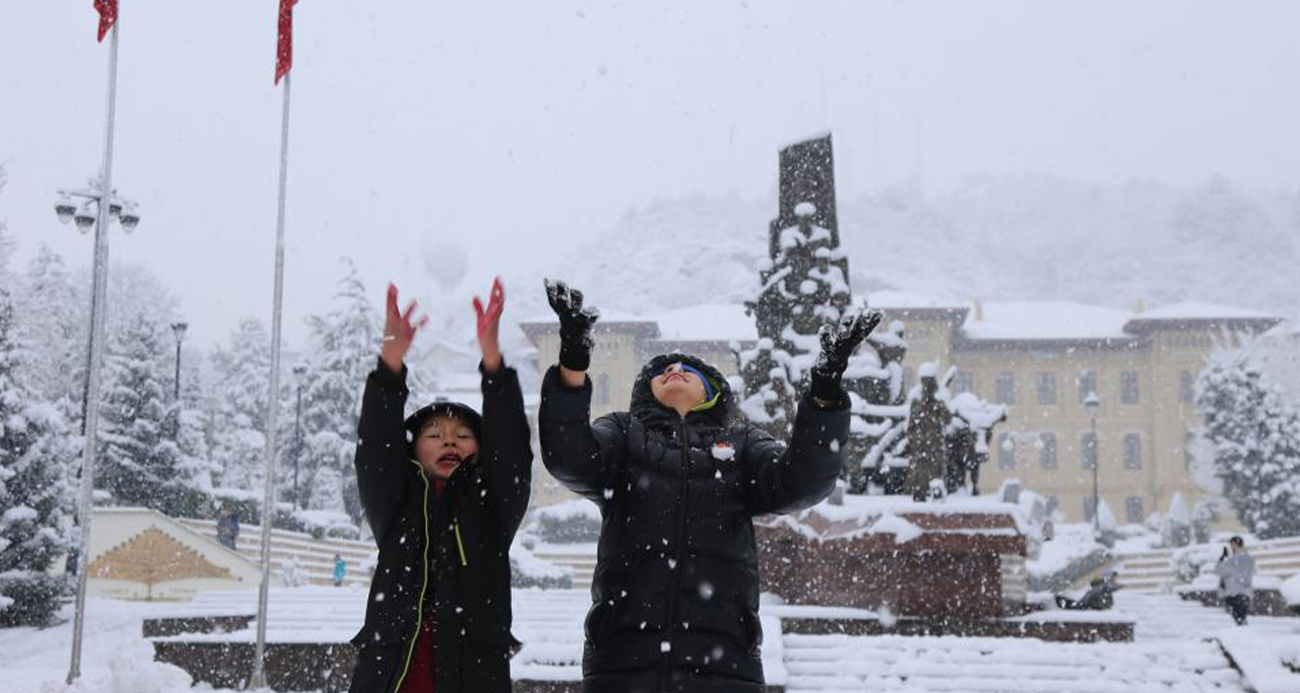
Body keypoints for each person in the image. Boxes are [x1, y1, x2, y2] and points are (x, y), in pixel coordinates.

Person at [538, 279, 879, 693]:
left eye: (688, 370)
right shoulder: (625, 434)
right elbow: (568, 456)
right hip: (622, 662)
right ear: (648, 392)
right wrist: (572, 360)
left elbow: (803, 483)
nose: (674, 370)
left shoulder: (742, 444)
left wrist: (825, 388)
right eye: (663, 371)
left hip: (724, 665)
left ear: (712, 392)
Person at [347, 279, 532, 693]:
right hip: (392, 676)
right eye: (433, 434)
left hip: (475, 674)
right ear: (412, 450)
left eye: (463, 435)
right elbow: (375, 451)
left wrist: (492, 361)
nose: (449, 440)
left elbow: (512, 453)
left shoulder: (494, 506)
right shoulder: (395, 502)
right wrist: (391, 362)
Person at [1215, 536, 1255, 625]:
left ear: (1236, 544)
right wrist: (1222, 559)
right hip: (1232, 593)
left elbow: (1227, 572)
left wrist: (1224, 562)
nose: (1231, 547)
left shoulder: (1245, 558)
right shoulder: (1231, 559)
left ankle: (1244, 633)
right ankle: (1242, 633)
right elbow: (1220, 572)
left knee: (1240, 618)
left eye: (1232, 544)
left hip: (1241, 593)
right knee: (1238, 618)